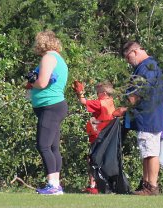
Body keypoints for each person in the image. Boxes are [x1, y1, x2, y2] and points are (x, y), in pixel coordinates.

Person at [114, 41, 163, 195]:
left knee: (150, 152)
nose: (128, 62)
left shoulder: (148, 67)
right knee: (146, 151)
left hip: (149, 116)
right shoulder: (147, 66)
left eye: (128, 58)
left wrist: (124, 108)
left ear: (135, 51)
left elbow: (140, 91)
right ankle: (146, 185)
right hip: (146, 117)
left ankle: (152, 187)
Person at [25, 30, 68, 195]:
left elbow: (42, 83)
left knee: (43, 145)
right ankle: (56, 185)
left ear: (41, 43)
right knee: (53, 147)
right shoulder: (57, 58)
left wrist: (31, 80)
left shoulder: (48, 57)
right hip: (54, 106)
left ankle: (53, 186)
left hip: (50, 106)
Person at [73, 81, 116, 194]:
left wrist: (80, 92)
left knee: (93, 159)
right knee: (102, 160)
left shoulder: (100, 103)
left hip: (98, 134)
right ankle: (104, 184)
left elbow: (83, 101)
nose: (97, 94)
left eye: (98, 92)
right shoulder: (110, 101)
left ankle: (94, 185)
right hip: (107, 135)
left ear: (105, 93)